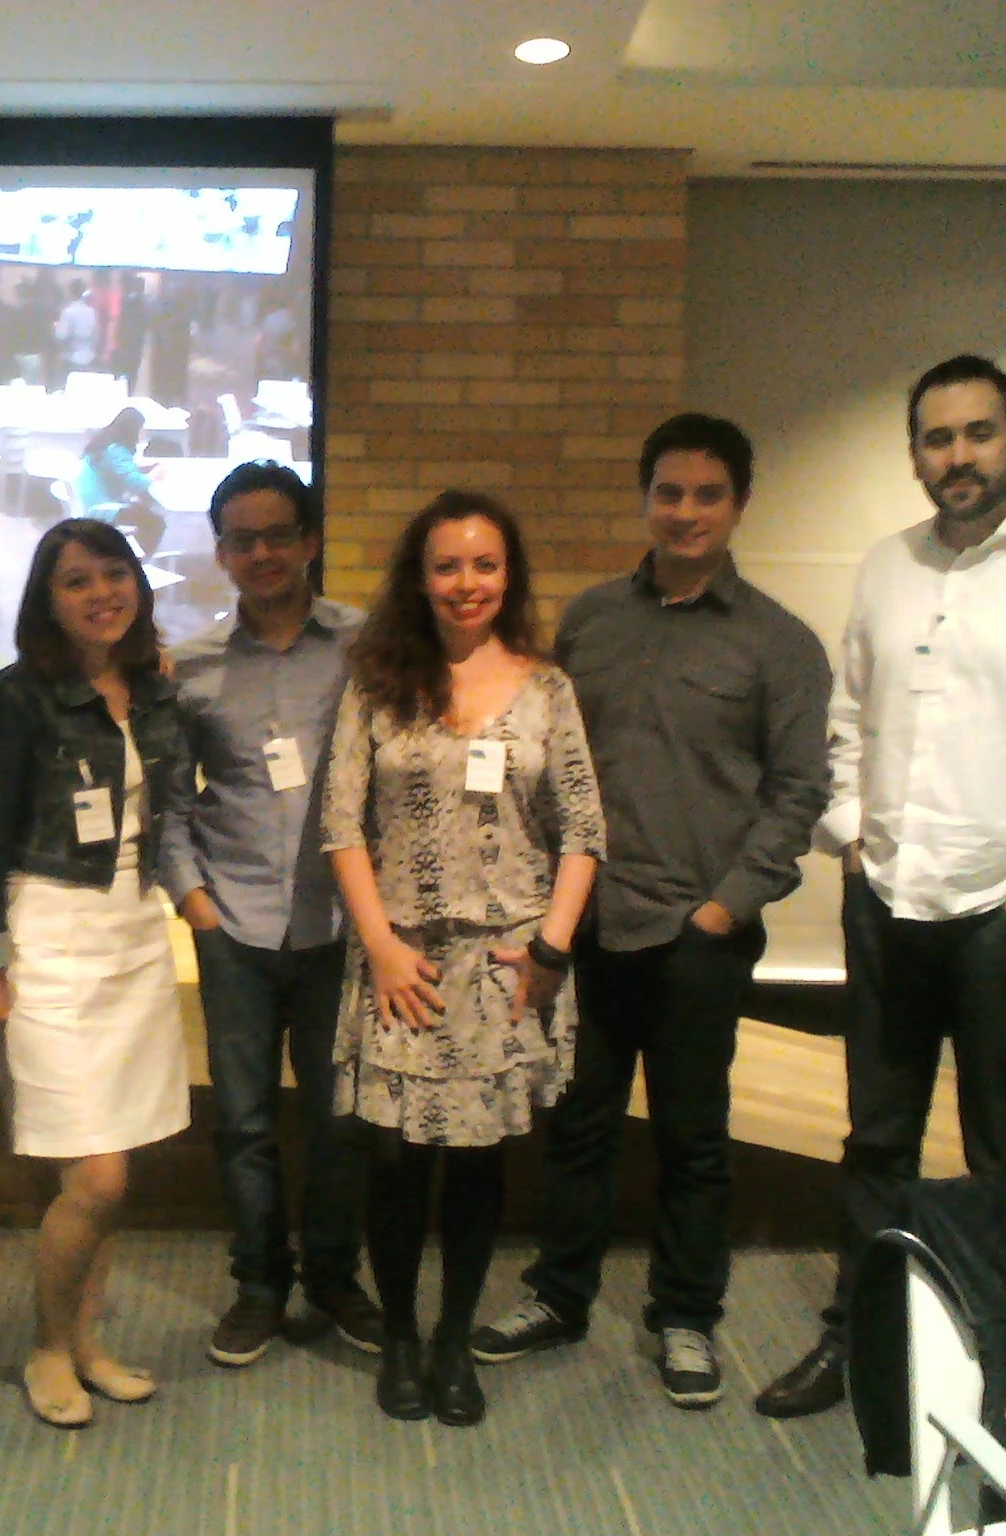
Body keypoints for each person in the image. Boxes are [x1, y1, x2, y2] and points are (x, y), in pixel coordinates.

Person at [755, 355, 1006, 1419]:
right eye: (937, 438)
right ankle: (863, 1338)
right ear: (915, 456)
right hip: (886, 899)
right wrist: (849, 835)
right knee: (875, 1141)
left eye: (979, 433)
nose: (958, 456)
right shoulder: (886, 567)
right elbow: (849, 716)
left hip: (1004, 916)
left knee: (1003, 1147)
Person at [470, 415, 831, 1408]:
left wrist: (724, 910)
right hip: (584, 928)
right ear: (644, 499)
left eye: (707, 495)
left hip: (693, 936)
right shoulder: (591, 621)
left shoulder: (779, 643)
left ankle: (685, 1315)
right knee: (579, 1123)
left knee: (692, 1137)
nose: (685, 512)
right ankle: (559, 1295)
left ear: (738, 505)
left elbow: (797, 792)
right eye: (668, 492)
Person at [323, 491, 604, 1428]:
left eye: (485, 564)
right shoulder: (377, 683)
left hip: (505, 968)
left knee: (480, 1167)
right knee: (398, 1164)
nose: (466, 582)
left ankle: (453, 1341)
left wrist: (553, 948)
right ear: (420, 576)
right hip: (402, 965)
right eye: (447, 565)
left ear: (508, 575)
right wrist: (380, 948)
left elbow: (583, 830)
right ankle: (400, 1338)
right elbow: (340, 825)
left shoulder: (547, 689)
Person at [0, 518, 195, 1429]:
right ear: (46, 600)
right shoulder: (17, 697)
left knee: (113, 1168)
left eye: (114, 573)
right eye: (76, 581)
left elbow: (171, 812)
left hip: (132, 933)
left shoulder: (155, 690)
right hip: (47, 939)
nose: (102, 593)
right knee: (95, 1179)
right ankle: (48, 1348)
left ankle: (87, 1342)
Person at [161, 462, 383, 1369]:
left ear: (309, 541)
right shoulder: (194, 667)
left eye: (278, 535)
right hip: (236, 925)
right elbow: (172, 801)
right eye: (242, 540)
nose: (262, 554)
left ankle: (333, 1278)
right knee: (245, 1123)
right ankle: (259, 1284)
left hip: (341, 927)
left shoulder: (365, 648)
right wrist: (196, 905)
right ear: (221, 553)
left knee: (340, 1119)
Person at [73, 407, 161, 550]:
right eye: (141, 428)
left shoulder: (106, 443)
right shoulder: (115, 449)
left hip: (92, 501)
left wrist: (144, 469)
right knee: (155, 522)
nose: (143, 432)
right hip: (102, 507)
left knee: (144, 509)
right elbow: (135, 483)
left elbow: (120, 471)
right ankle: (139, 559)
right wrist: (154, 476)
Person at [53, 279, 100, 385]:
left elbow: (61, 336)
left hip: (70, 358)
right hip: (88, 357)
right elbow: (96, 334)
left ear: (70, 292)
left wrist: (55, 328)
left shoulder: (68, 312)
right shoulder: (91, 311)